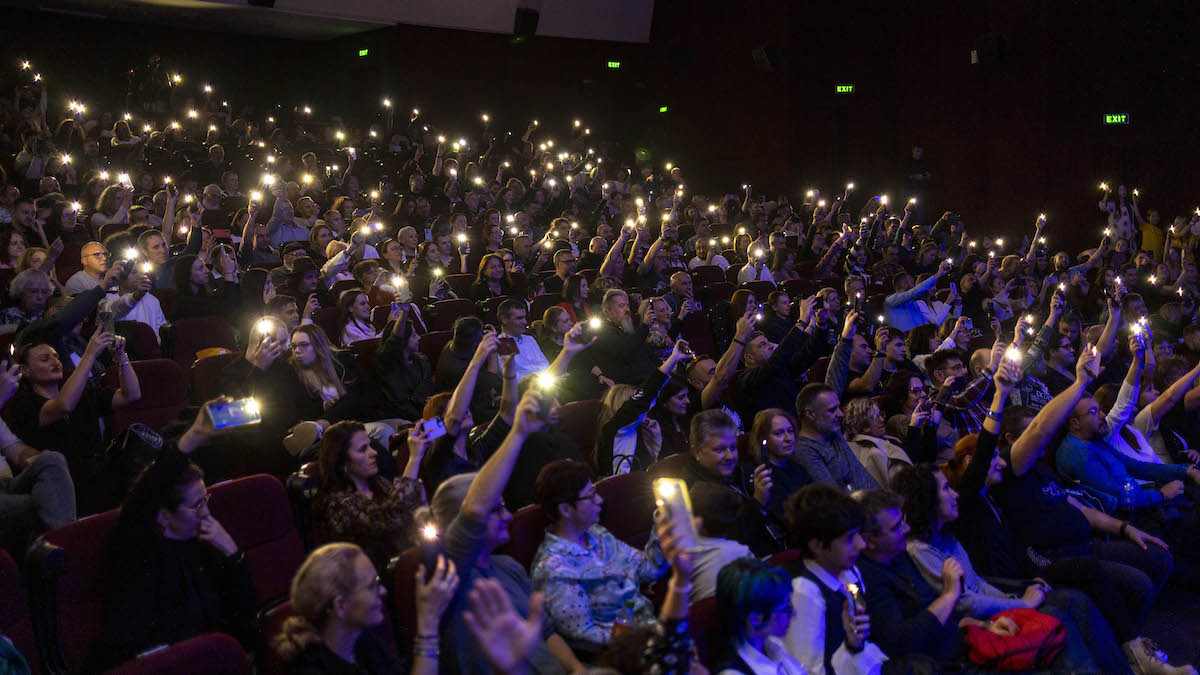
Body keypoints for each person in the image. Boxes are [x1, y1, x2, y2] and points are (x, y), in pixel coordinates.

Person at [87, 399, 257, 670]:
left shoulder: (202, 542)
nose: (206, 512)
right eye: (196, 505)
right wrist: (194, 435)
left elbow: (243, 616)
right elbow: (146, 494)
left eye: (206, 500)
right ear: (162, 515)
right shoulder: (137, 546)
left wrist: (233, 554)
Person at [426, 388, 586, 674]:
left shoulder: (509, 566)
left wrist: (578, 670)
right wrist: (519, 434)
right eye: (496, 509)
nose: (510, 517)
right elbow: (475, 508)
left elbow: (547, 633)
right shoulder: (449, 578)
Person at [530, 460, 666, 654]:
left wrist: (662, 526)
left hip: (650, 627)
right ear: (566, 510)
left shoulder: (597, 535)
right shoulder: (553, 569)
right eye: (590, 496)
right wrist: (641, 637)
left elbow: (649, 569)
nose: (600, 500)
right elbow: (584, 636)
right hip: (623, 652)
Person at [7, 329, 140, 515]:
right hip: (63, 491)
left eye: (56, 357)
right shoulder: (22, 404)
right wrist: (90, 354)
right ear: (25, 370)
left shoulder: (81, 393)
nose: (55, 362)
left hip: (101, 481)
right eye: (45, 359)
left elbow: (131, 395)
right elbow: (63, 405)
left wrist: (121, 356)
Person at [275, 542, 459, 675]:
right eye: (372, 586)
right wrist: (428, 623)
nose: (384, 591)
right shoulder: (312, 670)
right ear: (340, 606)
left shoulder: (363, 641)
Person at [782, 483, 889, 675]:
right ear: (816, 545)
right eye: (849, 538)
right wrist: (850, 647)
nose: (861, 544)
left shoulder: (848, 571)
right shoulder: (804, 593)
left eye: (858, 534)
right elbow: (808, 671)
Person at [659, 409, 783, 556]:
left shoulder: (741, 470)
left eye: (733, 448)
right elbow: (731, 541)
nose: (730, 456)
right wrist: (758, 502)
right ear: (697, 452)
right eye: (719, 450)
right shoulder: (692, 492)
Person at [313, 421, 432, 571]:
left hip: (407, 562)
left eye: (370, 445)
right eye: (363, 449)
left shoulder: (378, 483)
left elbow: (409, 515)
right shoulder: (337, 503)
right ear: (342, 462)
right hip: (372, 576)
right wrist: (414, 459)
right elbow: (390, 519)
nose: (373, 452)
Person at [710, 557, 806, 674]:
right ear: (756, 619)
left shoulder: (774, 645)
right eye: (785, 608)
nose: (793, 613)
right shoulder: (733, 672)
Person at [793, 383, 879, 493]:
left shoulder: (832, 431)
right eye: (832, 410)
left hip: (872, 499)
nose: (841, 414)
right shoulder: (804, 450)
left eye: (838, 407)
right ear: (810, 414)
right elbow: (834, 496)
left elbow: (858, 472)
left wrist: (884, 498)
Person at [748, 408, 813, 522]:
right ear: (763, 439)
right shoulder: (761, 477)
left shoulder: (798, 469)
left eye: (790, 431)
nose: (788, 438)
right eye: (778, 433)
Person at [497, 299, 550, 382]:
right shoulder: (503, 342)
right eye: (519, 318)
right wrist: (533, 379)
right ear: (504, 319)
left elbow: (545, 365)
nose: (525, 322)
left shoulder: (529, 339)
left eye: (525, 317)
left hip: (544, 383)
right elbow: (511, 377)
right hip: (525, 387)